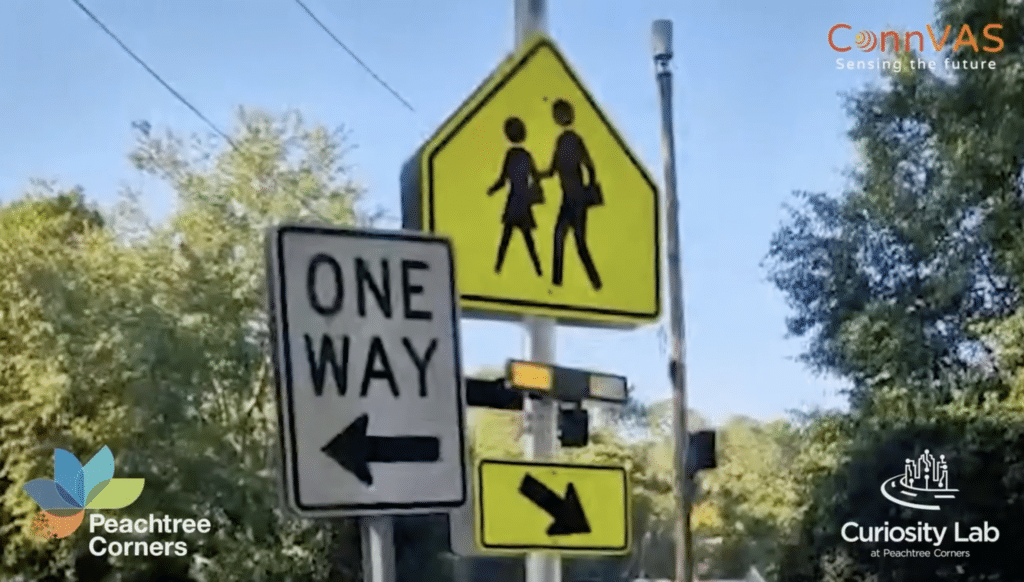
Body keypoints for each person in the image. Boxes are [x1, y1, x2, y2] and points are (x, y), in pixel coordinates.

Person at [541, 99, 602, 290]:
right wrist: (535, 174)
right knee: (559, 236)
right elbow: (552, 170)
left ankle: (596, 283)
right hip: (567, 198)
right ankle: (557, 282)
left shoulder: (574, 140)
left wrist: (589, 190)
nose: (558, 117)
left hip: (577, 198)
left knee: (578, 241)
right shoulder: (561, 141)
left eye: (560, 114)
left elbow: (590, 166)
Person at [487, 116, 543, 276]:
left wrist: (492, 190)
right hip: (523, 201)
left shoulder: (511, 155)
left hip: (515, 201)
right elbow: (536, 176)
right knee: (525, 238)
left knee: (508, 237)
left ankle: (498, 267)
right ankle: (537, 269)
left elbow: (503, 179)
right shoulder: (526, 155)